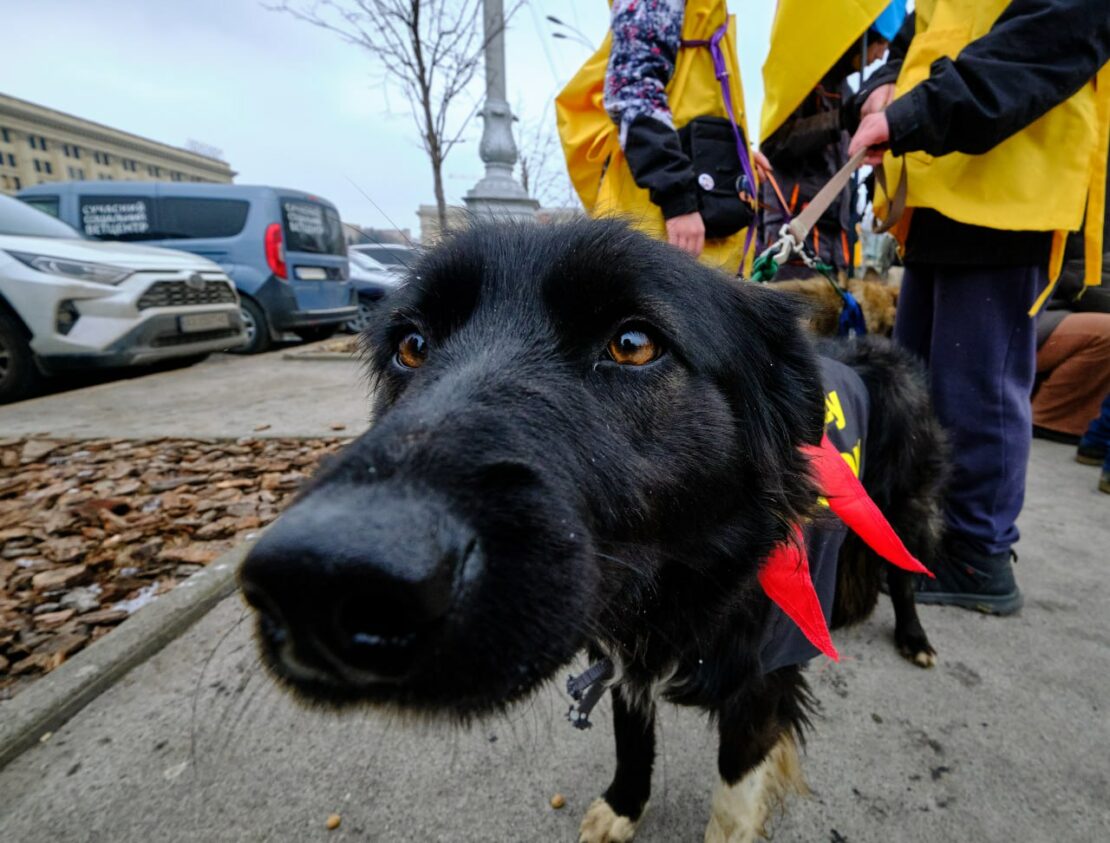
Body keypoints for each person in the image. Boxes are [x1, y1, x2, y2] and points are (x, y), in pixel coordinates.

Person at [846, 0, 1110, 614]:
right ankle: (914, 533)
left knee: (977, 387)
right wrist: (886, 87)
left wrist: (915, 114)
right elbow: (920, 34)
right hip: (940, 181)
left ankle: (977, 551)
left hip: (1012, 186)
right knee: (913, 381)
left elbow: (1048, 40)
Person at [556, 0, 762, 272]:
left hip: (680, 218)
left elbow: (690, 99)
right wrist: (678, 201)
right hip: (664, 222)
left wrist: (739, 154)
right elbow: (633, 92)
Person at [759, 32, 889, 279]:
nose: (881, 54)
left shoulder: (848, 91)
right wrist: (840, 118)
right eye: (880, 43)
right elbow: (776, 143)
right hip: (794, 239)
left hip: (835, 245)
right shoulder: (799, 78)